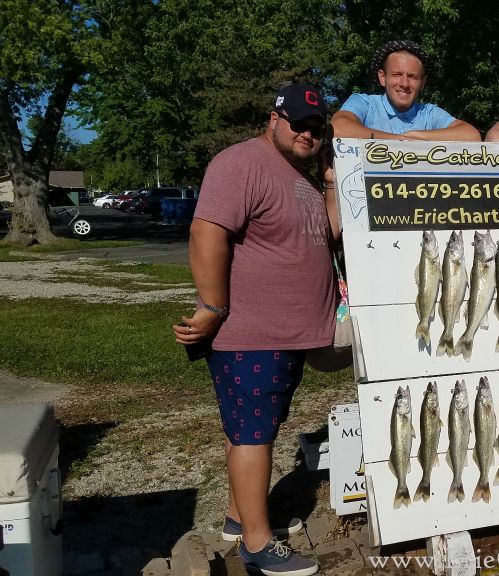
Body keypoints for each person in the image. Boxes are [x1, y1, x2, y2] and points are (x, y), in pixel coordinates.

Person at [173, 83, 339, 576]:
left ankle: (237, 516)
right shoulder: (241, 162)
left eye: (317, 127)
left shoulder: (301, 176)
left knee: (251, 429)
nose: (308, 133)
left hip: (286, 336)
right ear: (274, 119)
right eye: (299, 124)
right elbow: (207, 231)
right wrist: (212, 307)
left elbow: (325, 234)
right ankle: (258, 544)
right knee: (252, 435)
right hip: (251, 334)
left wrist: (330, 181)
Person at [331, 40, 480, 141]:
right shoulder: (364, 103)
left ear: (423, 83)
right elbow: (338, 128)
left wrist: (417, 136)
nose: (404, 83)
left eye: (412, 76)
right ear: (382, 78)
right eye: (397, 74)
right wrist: (400, 141)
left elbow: (471, 135)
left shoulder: (429, 113)